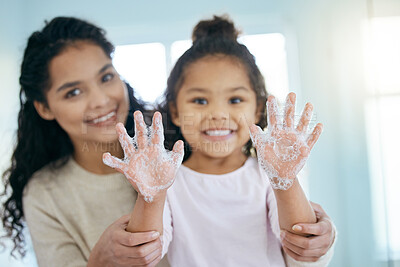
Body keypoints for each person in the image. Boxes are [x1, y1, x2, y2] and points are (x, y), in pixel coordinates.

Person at [104, 15, 336, 266]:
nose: (217, 114)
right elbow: (147, 253)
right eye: (200, 101)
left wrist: (286, 180)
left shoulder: (268, 175)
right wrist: (151, 196)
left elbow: (299, 244)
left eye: (235, 100)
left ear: (259, 109)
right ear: (177, 111)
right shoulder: (167, 180)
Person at [0, 17, 168, 267]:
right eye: (74, 92)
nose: (100, 100)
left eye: (106, 77)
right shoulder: (45, 194)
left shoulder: (173, 153)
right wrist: (100, 260)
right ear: (45, 107)